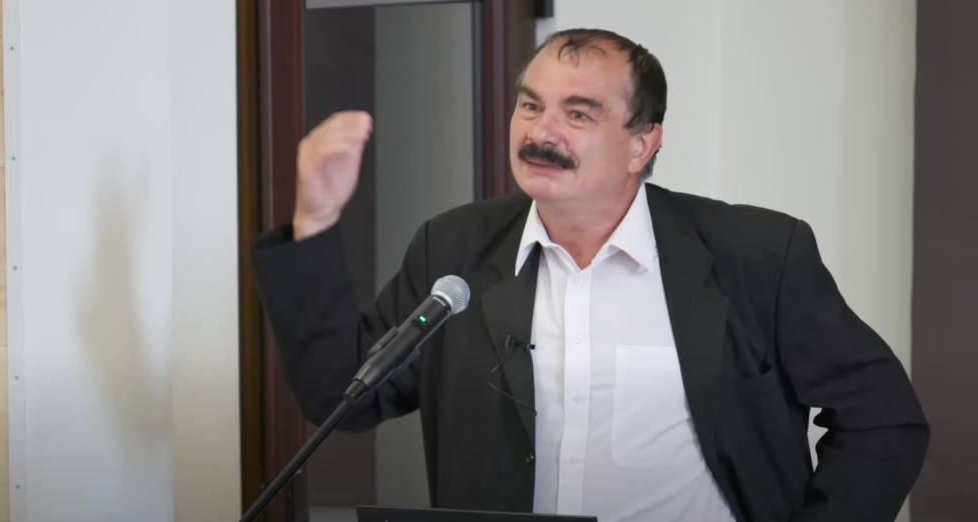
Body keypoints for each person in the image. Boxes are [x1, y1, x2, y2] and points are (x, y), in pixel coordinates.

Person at [251, 28, 928, 522]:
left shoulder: (757, 254)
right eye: (530, 105)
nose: (541, 132)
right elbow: (343, 393)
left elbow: (883, 420)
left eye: (578, 114)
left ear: (642, 143)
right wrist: (315, 220)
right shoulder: (453, 245)